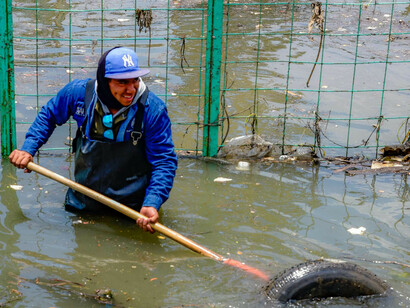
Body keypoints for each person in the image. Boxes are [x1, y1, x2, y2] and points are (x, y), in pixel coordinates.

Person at [9, 47, 178, 234]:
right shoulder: (79, 94)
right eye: (122, 82)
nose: (131, 89)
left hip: (133, 210)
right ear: (105, 81)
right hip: (83, 201)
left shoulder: (152, 110)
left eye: (135, 81)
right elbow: (48, 116)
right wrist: (28, 149)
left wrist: (152, 202)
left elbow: (164, 162)